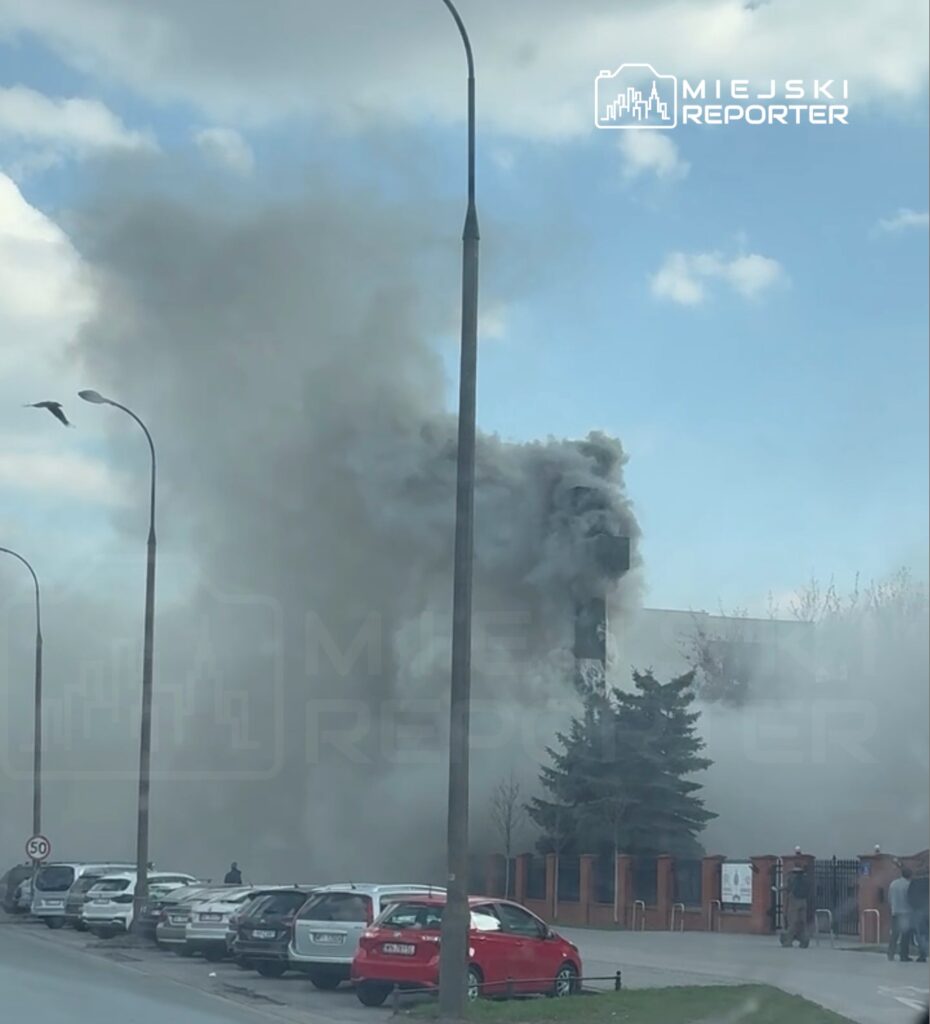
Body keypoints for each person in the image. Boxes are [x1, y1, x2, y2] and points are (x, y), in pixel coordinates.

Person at [779, 865, 811, 949]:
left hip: (794, 901)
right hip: (804, 901)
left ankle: (788, 941)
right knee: (802, 922)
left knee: (792, 921)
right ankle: (805, 941)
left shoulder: (792, 878)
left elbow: (787, 887)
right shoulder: (806, 879)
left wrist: (779, 889)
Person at [887, 865, 912, 962]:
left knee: (894, 935)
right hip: (906, 913)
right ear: (910, 875)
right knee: (905, 936)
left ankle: (890, 954)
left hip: (895, 912)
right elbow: (911, 899)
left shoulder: (893, 884)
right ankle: (903, 955)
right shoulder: (909, 884)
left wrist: (893, 906)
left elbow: (889, 898)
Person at [906, 871, 928, 963]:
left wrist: (914, 908)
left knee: (921, 934)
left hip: (919, 911)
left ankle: (923, 954)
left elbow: (909, 897)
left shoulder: (914, 883)